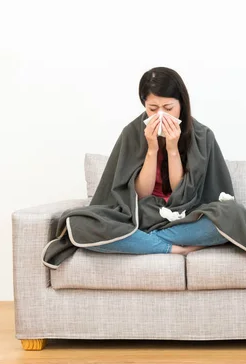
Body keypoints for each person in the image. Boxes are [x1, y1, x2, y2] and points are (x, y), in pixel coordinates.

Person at [84, 67, 229, 256]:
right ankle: (173, 248)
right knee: (83, 225)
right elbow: (140, 195)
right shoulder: (132, 133)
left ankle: (139, 240)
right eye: (153, 109)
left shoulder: (202, 136)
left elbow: (183, 196)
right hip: (144, 214)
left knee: (228, 219)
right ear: (144, 104)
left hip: (187, 215)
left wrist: (172, 148)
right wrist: (152, 149)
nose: (161, 115)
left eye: (168, 108)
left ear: (181, 104)